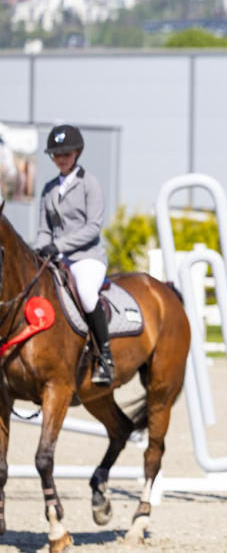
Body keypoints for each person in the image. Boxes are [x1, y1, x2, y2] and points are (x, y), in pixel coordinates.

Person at [35, 124, 114, 386]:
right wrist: (39, 250)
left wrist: (60, 246)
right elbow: (44, 230)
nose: (62, 158)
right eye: (57, 154)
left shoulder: (89, 183)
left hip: (86, 257)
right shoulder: (48, 189)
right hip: (57, 259)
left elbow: (93, 227)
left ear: (77, 152)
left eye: (67, 153)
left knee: (87, 295)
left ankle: (105, 356)